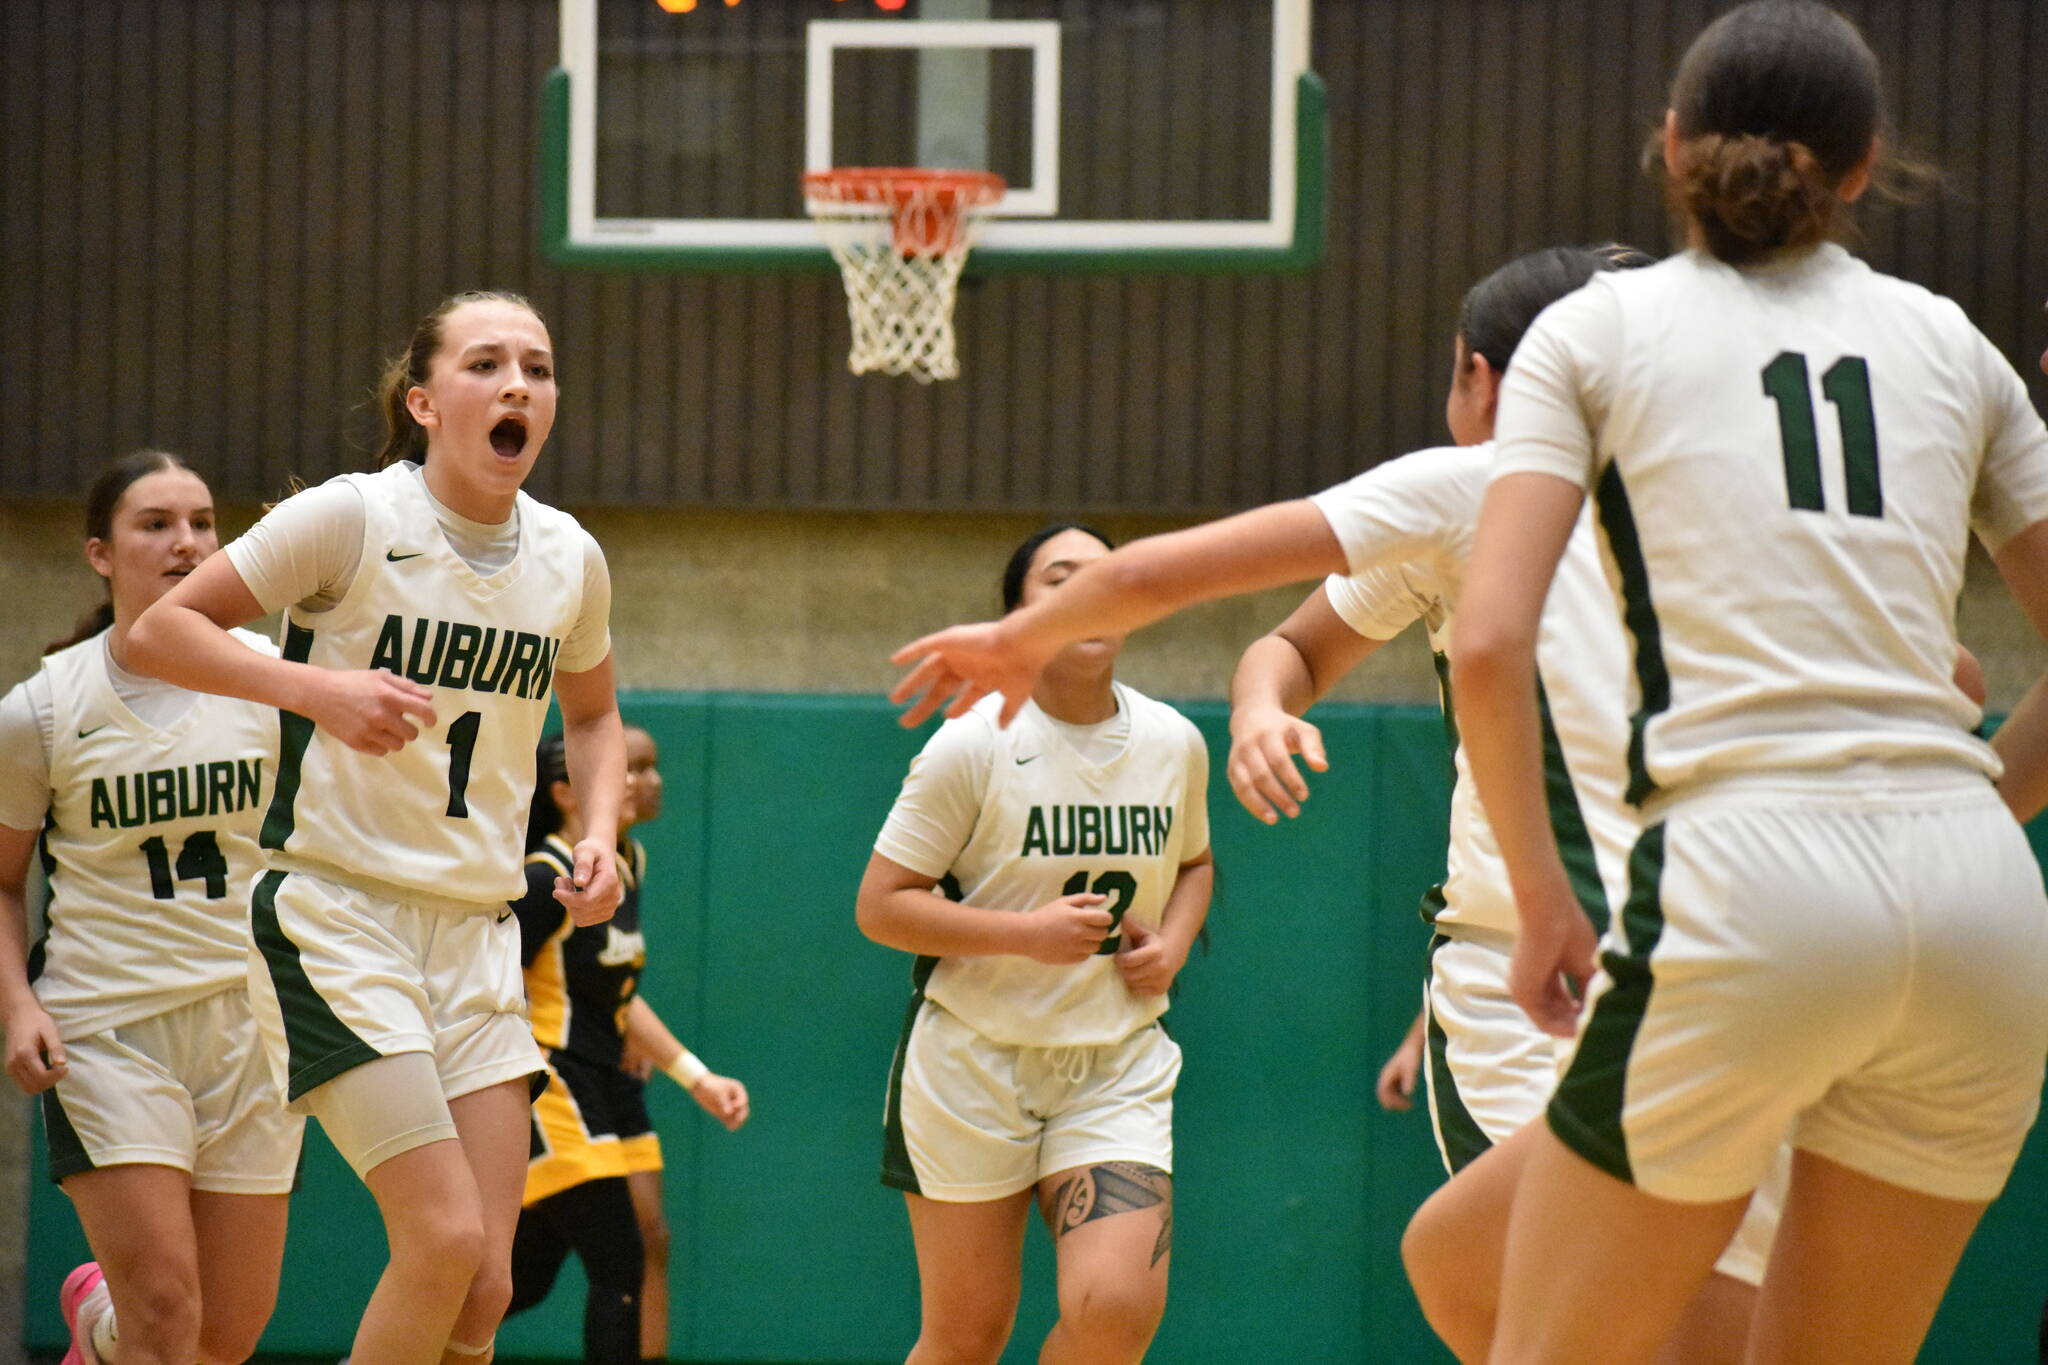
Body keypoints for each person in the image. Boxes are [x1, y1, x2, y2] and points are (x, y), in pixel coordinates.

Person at [885, 245, 1785, 1363]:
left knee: (1576, 1300)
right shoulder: (1738, 497)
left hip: (1665, 963)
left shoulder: (1492, 484)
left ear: (1481, 377)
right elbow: (1284, 648)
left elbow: (1184, 571)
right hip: (1578, 973)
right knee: (1563, 1292)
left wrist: (1016, 639)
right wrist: (1262, 709)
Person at [1450, 4, 2048, 1361]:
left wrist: (1545, 901)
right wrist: (1969, 812)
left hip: (1743, 875)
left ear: (1667, 141)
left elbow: (1490, 640)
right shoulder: (1954, 340)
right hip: (1984, 917)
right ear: (1865, 163)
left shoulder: (1595, 332)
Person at [127, 290, 627, 1365]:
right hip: (334, 913)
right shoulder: (352, 518)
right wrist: (315, 691)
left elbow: (591, 719)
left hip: (476, 931)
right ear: (424, 400)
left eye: (536, 369)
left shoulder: (568, 558)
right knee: (441, 1239)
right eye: (486, 364)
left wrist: (594, 832)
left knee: (485, 1287)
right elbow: (157, 630)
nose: (517, 387)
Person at [858, 524, 1215, 1365]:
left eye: (1105, 576)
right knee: (966, 1336)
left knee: (1116, 1306)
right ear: (1017, 613)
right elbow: (881, 905)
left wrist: (1173, 941)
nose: (1088, 591)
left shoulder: (1174, 741)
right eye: (1060, 578)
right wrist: (1025, 935)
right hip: (972, 1065)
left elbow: (1197, 863)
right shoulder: (971, 743)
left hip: (1114, 1060)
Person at [0, 451, 302, 1365]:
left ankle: (99, 1334)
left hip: (256, 1024)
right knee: (168, 1312)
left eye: (204, 523)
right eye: (156, 524)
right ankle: (111, 1319)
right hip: (109, 1023)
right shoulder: (42, 709)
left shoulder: (275, 674)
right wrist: (17, 1004)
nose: (186, 543)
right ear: (100, 551)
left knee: (225, 1334)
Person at [507, 728, 747, 1365]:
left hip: (610, 1080)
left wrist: (694, 1075)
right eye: (629, 768)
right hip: (554, 1081)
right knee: (619, 1260)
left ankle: (396, 1341)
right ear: (563, 793)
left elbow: (616, 996)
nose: (646, 781)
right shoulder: (544, 880)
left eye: (648, 766)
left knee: (623, 1248)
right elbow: (480, 985)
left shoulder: (626, 864)